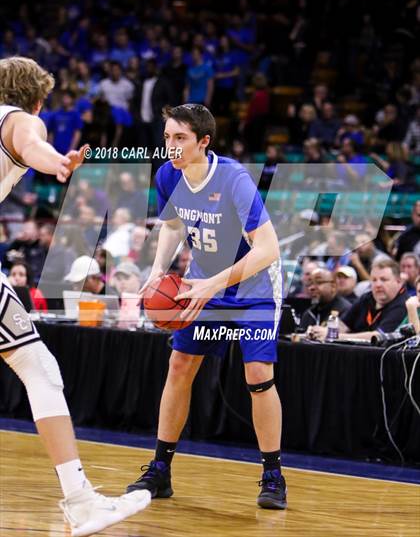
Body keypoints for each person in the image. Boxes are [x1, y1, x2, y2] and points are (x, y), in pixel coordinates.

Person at [0, 56, 150, 536]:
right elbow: (31, 143)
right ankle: (82, 502)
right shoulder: (22, 118)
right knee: (38, 368)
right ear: (38, 98)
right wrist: (59, 162)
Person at [126, 104, 287, 509]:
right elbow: (174, 225)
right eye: (166, 138)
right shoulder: (168, 175)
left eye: (180, 138)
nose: (171, 147)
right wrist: (158, 270)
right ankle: (160, 471)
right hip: (204, 278)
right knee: (179, 366)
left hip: (253, 285)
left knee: (258, 374)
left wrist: (214, 284)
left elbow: (268, 249)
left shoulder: (233, 179)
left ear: (203, 141)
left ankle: (273, 475)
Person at [308, 259, 408, 341]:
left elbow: (377, 337)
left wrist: (334, 335)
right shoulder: (367, 297)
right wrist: (321, 331)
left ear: (398, 282)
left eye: (383, 279)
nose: (378, 285)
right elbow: (343, 325)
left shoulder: (403, 304)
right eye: (374, 280)